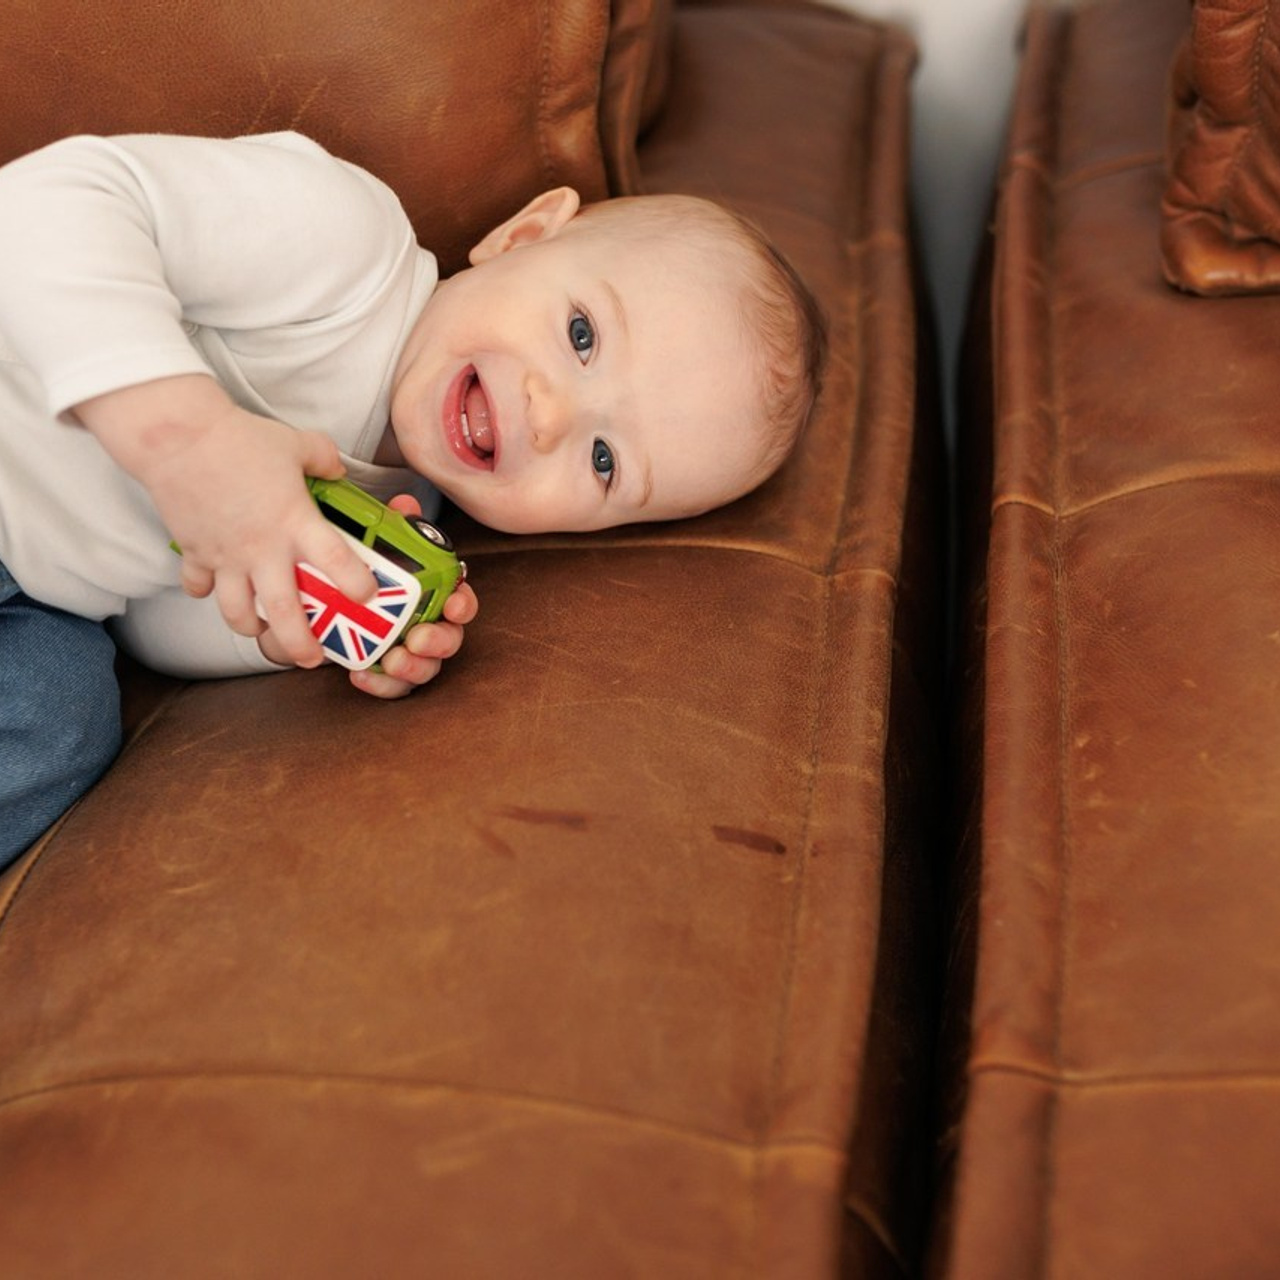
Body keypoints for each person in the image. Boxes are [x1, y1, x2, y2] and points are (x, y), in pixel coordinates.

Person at [0, 131, 827, 866]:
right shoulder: (345, 246)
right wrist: (184, 438)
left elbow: (146, 613)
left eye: (605, 460)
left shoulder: (396, 521)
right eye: (582, 335)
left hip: (32, 593)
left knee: (64, 715)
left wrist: (291, 615)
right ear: (521, 236)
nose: (550, 415)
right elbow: (43, 205)